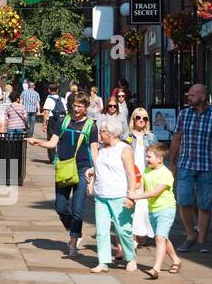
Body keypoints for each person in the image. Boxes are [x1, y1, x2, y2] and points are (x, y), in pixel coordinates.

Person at [27, 95, 97, 257]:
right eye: (75, 105)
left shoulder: (91, 126)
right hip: (64, 168)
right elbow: (53, 143)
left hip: (82, 169)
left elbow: (94, 150)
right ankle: (73, 228)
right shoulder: (63, 122)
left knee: (78, 209)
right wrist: (37, 142)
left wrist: (96, 170)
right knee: (60, 206)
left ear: (86, 107)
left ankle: (73, 242)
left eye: (80, 106)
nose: (77, 109)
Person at [168, 83, 212, 254]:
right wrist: (172, 162)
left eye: (192, 95)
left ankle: (202, 239)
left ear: (202, 96)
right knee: (184, 201)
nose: (189, 97)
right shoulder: (184, 115)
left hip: (207, 166)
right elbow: (176, 139)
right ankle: (190, 235)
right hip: (186, 165)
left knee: (204, 205)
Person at [85, 115, 138, 273]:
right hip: (101, 196)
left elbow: (131, 174)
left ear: (112, 133)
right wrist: (92, 170)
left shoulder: (124, 149)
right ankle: (103, 262)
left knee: (123, 230)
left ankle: (131, 257)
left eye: (102, 131)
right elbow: (102, 167)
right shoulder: (102, 148)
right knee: (101, 231)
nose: (99, 134)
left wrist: (131, 195)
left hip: (119, 195)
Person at [128, 142, 180, 278]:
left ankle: (156, 269)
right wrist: (132, 199)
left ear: (160, 159)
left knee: (159, 237)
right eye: (146, 156)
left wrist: (136, 196)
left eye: (149, 157)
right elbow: (142, 189)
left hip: (166, 209)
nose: (146, 159)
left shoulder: (166, 174)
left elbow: (154, 193)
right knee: (162, 237)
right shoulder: (146, 171)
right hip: (152, 210)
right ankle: (176, 260)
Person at [128, 107, 156, 245]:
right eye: (138, 117)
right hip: (132, 173)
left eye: (144, 118)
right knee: (133, 204)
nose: (141, 120)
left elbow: (157, 156)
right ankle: (133, 235)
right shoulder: (127, 136)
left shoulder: (151, 137)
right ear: (133, 119)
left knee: (143, 206)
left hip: (146, 173)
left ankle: (141, 233)